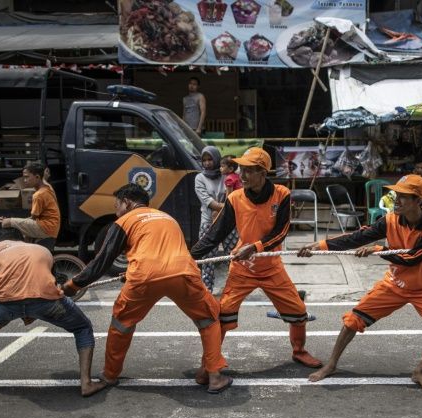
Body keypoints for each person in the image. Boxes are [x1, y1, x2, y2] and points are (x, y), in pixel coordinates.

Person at [62, 184, 231, 393]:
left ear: (127, 202)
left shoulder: (124, 221)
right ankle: (214, 375)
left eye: (117, 206)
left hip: (145, 277)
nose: (116, 211)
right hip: (183, 272)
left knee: (121, 324)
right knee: (209, 319)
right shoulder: (167, 217)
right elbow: (161, 250)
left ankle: (109, 375)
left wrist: (73, 284)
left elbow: (102, 261)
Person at [297, 174, 422, 393]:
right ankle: (332, 364)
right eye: (396, 195)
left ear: (418, 201)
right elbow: (359, 237)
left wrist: (379, 250)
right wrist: (322, 245)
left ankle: (420, 370)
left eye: (404, 197)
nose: (396, 201)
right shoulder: (391, 219)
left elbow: (412, 259)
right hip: (394, 284)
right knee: (353, 320)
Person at [191, 147, 322, 371]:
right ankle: (210, 364)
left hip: (271, 267)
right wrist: (189, 257)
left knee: (298, 313)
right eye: (242, 169)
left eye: (249, 171)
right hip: (242, 268)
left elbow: (281, 232)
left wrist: (255, 247)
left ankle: (299, 351)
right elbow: (215, 234)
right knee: (222, 316)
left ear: (263, 173)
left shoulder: (281, 194)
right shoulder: (235, 198)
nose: (242, 175)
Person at [0, 227, 106, 397]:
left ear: (1, 241)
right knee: (82, 327)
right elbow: (47, 284)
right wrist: (30, 314)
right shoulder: (42, 250)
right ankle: (86, 383)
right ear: (23, 239)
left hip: (5, 303)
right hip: (46, 301)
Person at [195, 146, 238, 293]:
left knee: (233, 256)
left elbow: (237, 195)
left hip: (228, 223)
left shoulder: (227, 175)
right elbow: (207, 201)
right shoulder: (199, 178)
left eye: (210, 159)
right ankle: (207, 290)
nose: (207, 163)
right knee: (207, 259)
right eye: (204, 160)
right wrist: (227, 208)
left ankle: (234, 288)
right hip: (209, 222)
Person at [0, 162, 60, 252]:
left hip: (45, 227)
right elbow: (44, 180)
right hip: (52, 227)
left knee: (6, 223)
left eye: (27, 177)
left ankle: (7, 253)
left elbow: (33, 218)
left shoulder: (38, 195)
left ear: (38, 177)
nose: (25, 180)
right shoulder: (48, 187)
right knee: (23, 231)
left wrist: (8, 220)